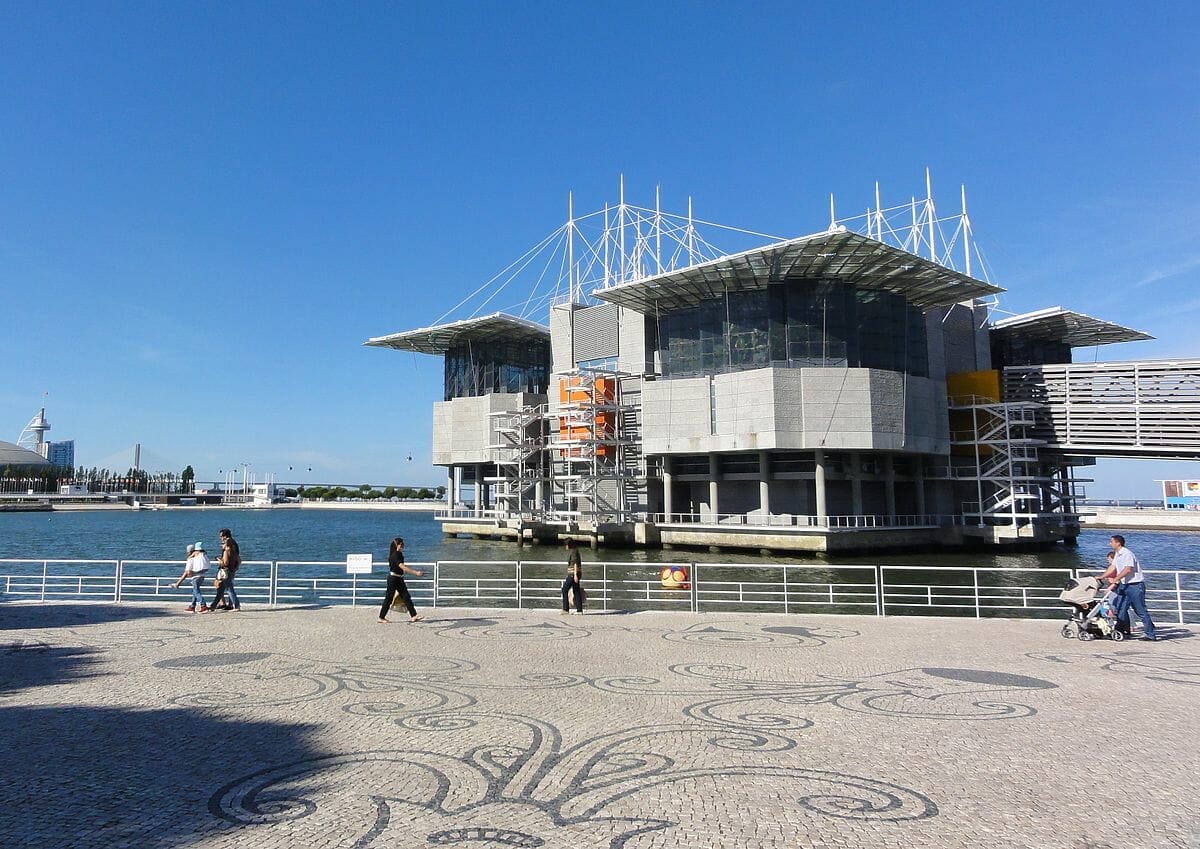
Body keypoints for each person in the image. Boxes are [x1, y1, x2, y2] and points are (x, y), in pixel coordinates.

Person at [1107, 534, 1158, 641]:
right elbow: (1113, 567)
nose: (1110, 543)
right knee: (1120, 608)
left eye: (1111, 542)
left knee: (1140, 610)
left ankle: (1150, 634)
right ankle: (1119, 631)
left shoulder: (1127, 554)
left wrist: (1116, 578)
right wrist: (1102, 576)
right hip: (1124, 585)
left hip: (1135, 585)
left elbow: (1128, 569)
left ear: (1118, 543)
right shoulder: (1117, 554)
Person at [378, 537, 424, 623]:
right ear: (397, 545)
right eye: (401, 544)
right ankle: (381, 617)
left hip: (398, 578)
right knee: (389, 598)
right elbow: (402, 566)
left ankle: (414, 615)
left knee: (406, 596)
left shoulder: (395, 554)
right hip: (394, 578)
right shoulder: (396, 554)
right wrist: (416, 573)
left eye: (403, 544)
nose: (403, 546)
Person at [208, 528, 241, 612]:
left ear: (225, 537)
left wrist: (218, 559)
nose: (221, 540)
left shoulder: (227, 549)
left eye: (221, 537)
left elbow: (225, 562)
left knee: (229, 589)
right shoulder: (234, 545)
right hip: (231, 569)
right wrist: (236, 567)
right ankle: (213, 606)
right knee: (221, 588)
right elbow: (238, 558)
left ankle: (236, 606)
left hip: (226, 570)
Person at [172, 541, 210, 613]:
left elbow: (188, 572)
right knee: (195, 592)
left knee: (196, 592)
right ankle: (192, 606)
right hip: (202, 577)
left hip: (195, 577)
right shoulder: (201, 556)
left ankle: (203, 606)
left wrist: (178, 583)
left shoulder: (191, 559)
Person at [561, 539, 584, 615]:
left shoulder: (573, 552)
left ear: (569, 545)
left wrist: (575, 575)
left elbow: (575, 563)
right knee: (576, 591)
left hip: (572, 574)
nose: (565, 547)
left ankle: (565, 609)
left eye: (566, 545)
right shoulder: (575, 551)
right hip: (575, 574)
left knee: (564, 589)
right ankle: (579, 610)